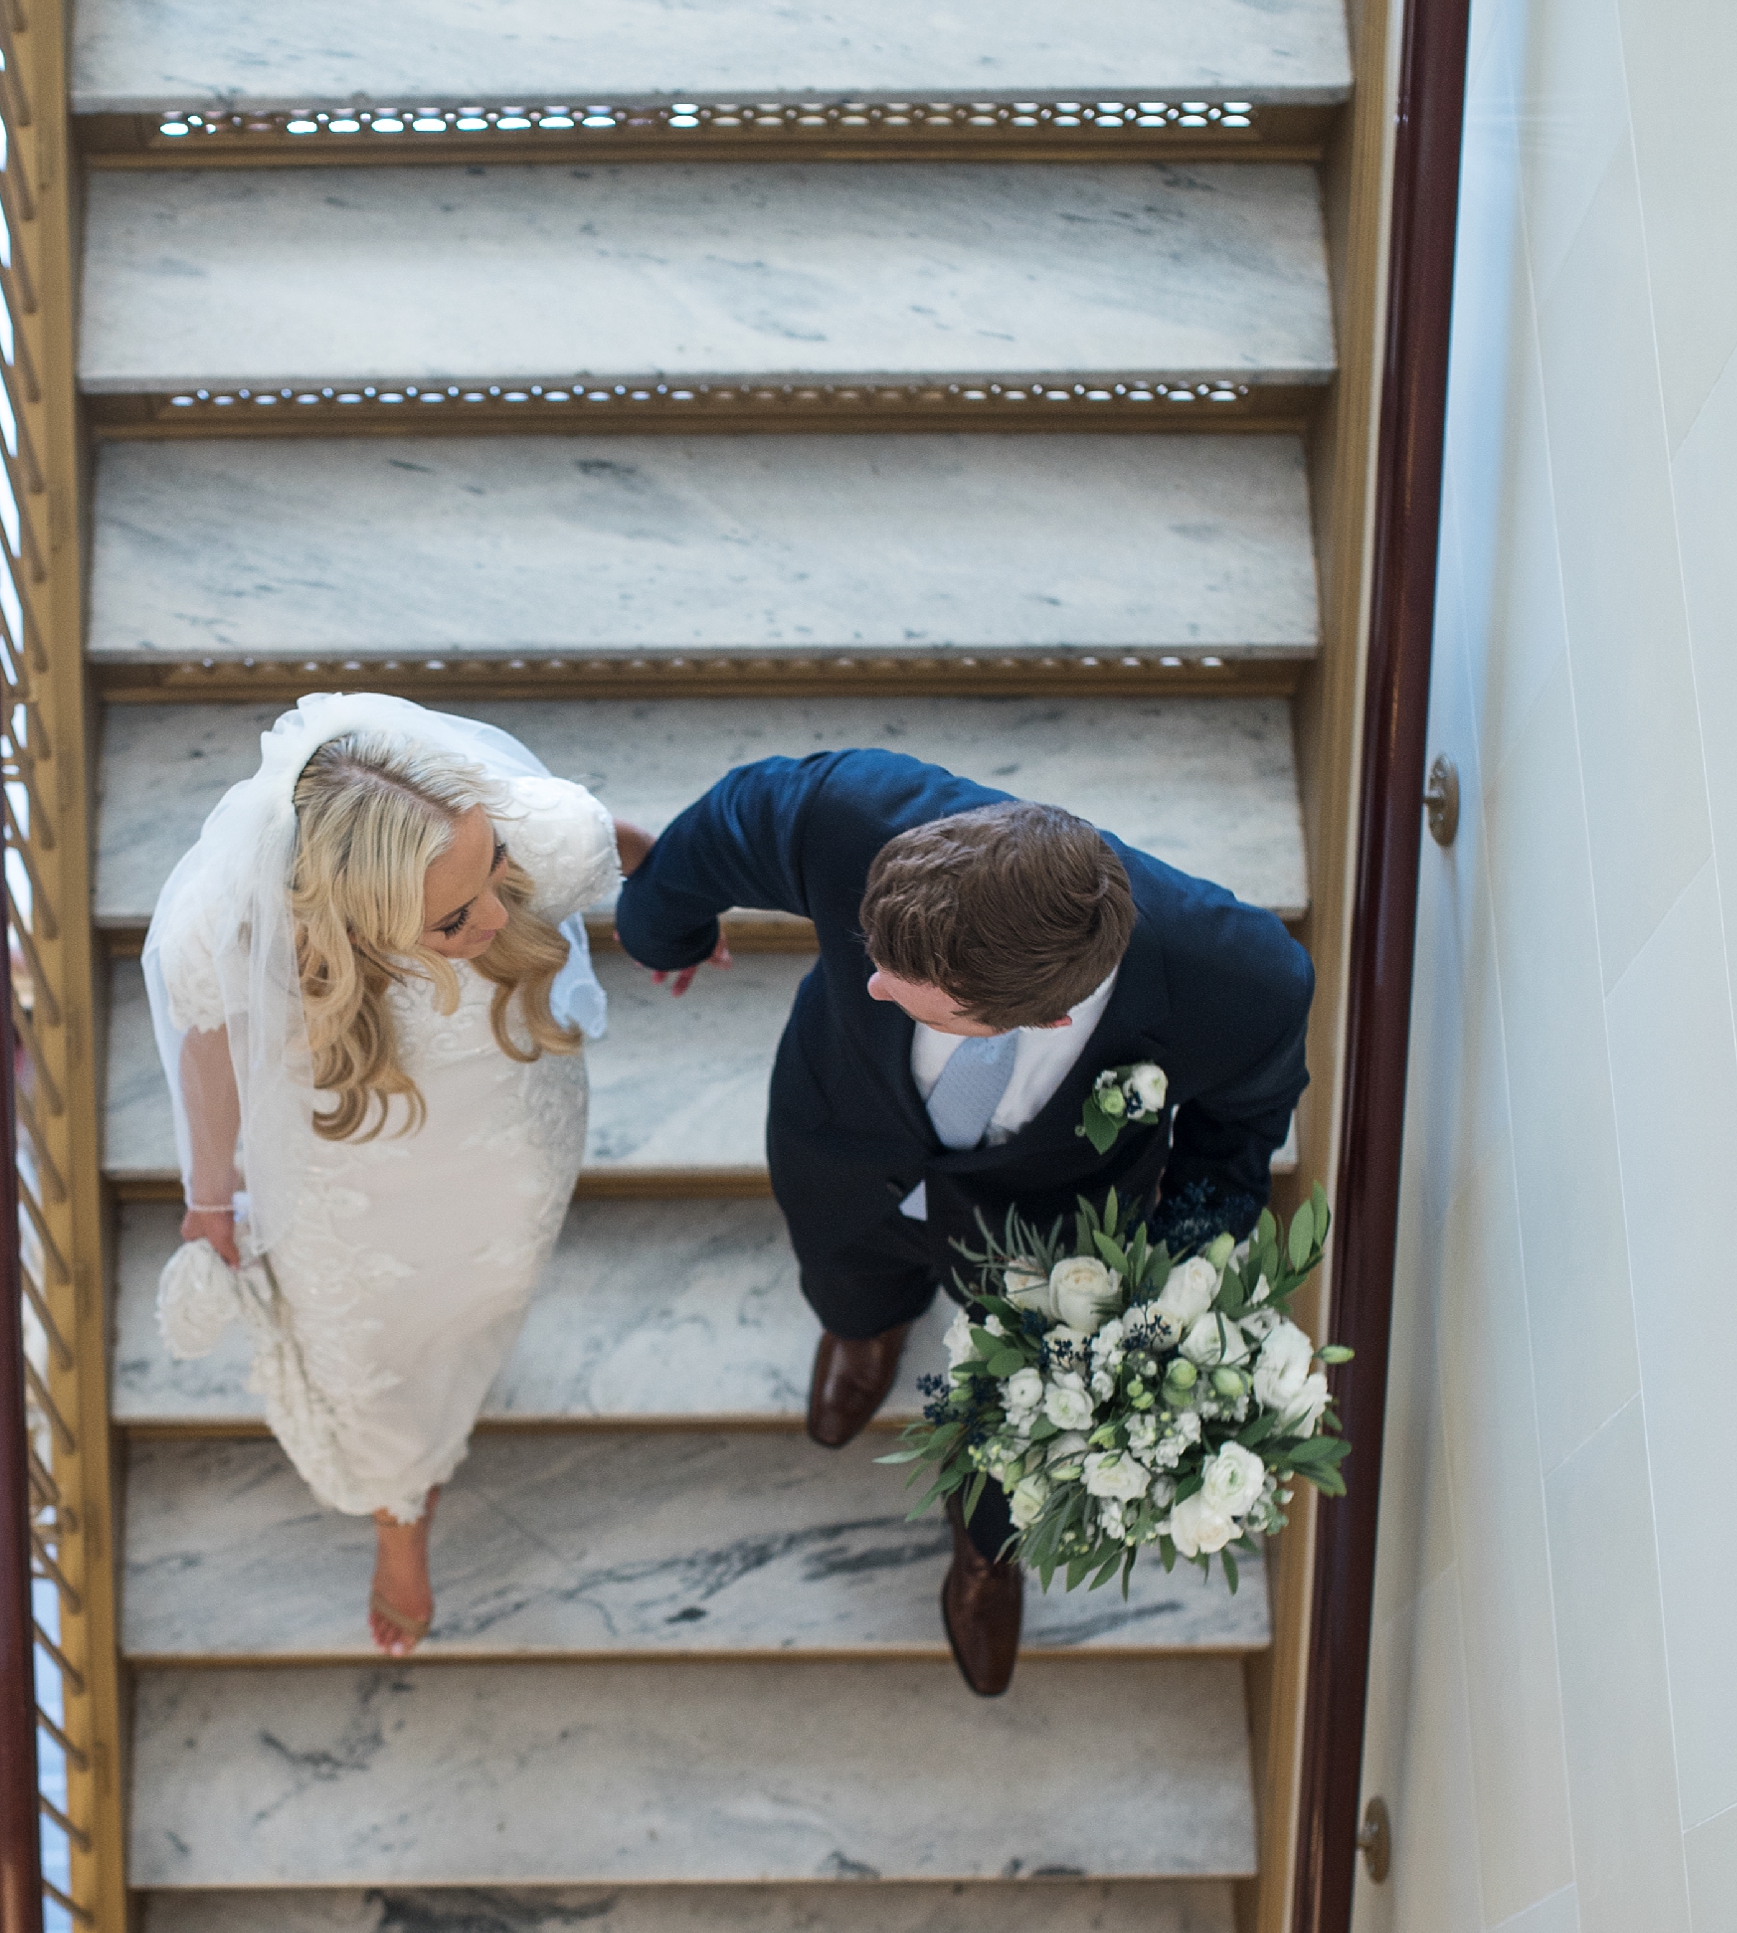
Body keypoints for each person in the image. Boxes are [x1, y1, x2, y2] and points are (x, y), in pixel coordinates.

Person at [615, 757, 1313, 1696]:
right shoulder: (853, 812)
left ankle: (987, 1553)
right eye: (874, 954)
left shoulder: (1242, 980)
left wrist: (1162, 1319)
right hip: (843, 1137)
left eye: (912, 990)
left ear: (1047, 1015)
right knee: (840, 1264)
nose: (868, 985)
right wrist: (664, 927)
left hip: (1056, 1232)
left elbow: (1235, 1142)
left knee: (1029, 1419)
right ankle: (865, 1331)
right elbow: (731, 821)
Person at [148, 694, 634, 1655]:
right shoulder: (233, 927)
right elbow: (208, 1050)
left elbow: (608, 841)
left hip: (510, 1142)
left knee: (487, 1297)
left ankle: (459, 1387)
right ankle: (398, 1513)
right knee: (365, 1349)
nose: (500, 916)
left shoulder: (534, 827)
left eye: (497, 868)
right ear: (351, 925)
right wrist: (210, 1200)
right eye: (456, 918)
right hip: (349, 1175)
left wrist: (685, 898)